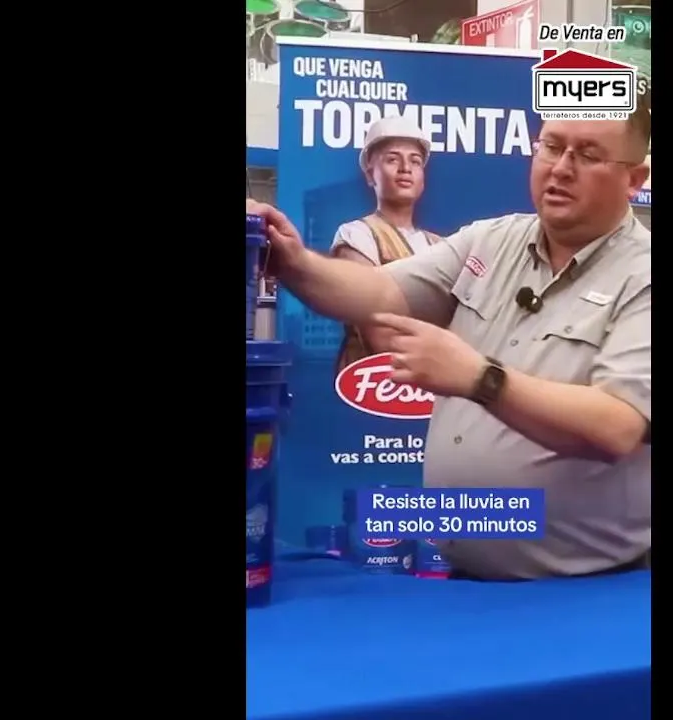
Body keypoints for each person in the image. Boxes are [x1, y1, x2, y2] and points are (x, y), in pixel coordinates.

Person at [246, 95, 652, 581]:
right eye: (551, 146)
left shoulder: (642, 273)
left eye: (587, 154)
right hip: (466, 582)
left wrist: (481, 379)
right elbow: (380, 292)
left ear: (635, 179)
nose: (561, 168)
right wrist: (292, 262)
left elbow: (618, 425)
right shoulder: (490, 241)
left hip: (594, 590)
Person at [332, 116, 442, 372]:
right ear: (370, 174)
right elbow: (378, 330)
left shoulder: (439, 245)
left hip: (430, 382)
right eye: (392, 159)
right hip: (372, 382)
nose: (405, 168)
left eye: (415, 161)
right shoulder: (356, 235)